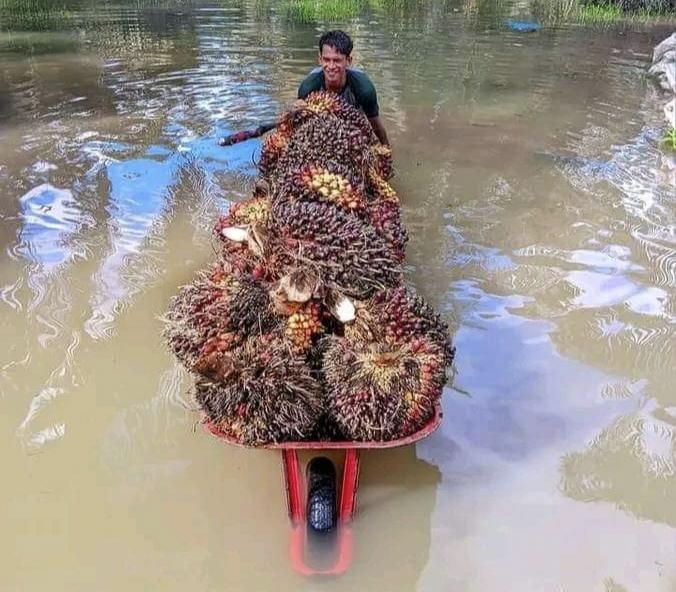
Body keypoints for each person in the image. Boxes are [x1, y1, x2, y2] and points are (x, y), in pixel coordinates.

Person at [298, 30, 389, 146]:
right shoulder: (308, 87)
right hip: (321, 124)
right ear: (319, 60)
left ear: (348, 61)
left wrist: (386, 153)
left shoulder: (364, 88)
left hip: (352, 122)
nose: (331, 67)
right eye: (326, 60)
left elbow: (376, 126)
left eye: (337, 60)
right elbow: (300, 127)